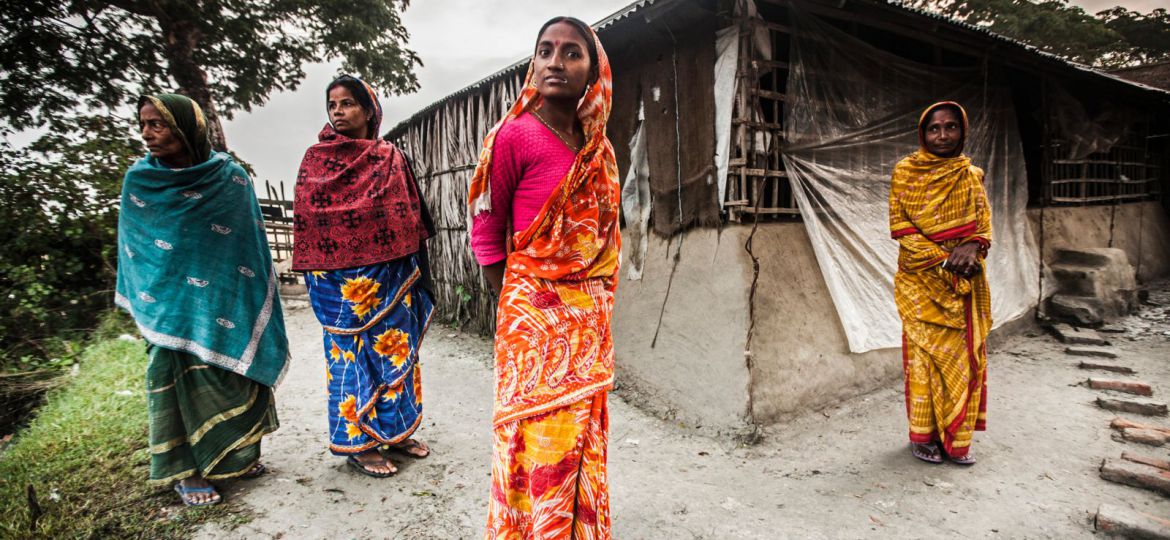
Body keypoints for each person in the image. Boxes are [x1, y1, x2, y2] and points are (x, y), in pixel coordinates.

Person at [469, 16, 620, 538]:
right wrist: (519, 306)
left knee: (578, 437)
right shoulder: (513, 136)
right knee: (535, 441)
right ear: (534, 62)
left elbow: (603, 244)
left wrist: (587, 308)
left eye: (572, 52)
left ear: (593, 69)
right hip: (531, 319)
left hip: (587, 320)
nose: (556, 61)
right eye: (546, 50)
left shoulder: (600, 152)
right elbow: (486, 234)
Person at [117, 93, 288, 506]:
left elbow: (247, 247)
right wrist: (159, 293)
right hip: (166, 303)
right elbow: (136, 248)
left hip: (225, 301)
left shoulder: (228, 179)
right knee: (174, 374)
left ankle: (234, 454)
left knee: (232, 373)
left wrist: (234, 297)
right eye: (143, 124)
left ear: (185, 128)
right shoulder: (141, 183)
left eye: (157, 124)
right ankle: (188, 471)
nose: (146, 133)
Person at [292, 75, 435, 478]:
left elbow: (407, 215)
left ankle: (395, 431)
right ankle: (359, 443)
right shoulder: (315, 161)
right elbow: (310, 225)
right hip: (339, 285)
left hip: (389, 276)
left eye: (348, 104)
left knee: (396, 351)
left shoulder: (389, 156)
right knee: (349, 358)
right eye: (332, 105)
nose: (338, 112)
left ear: (369, 110)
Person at [889, 101, 992, 466]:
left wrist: (973, 246)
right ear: (923, 133)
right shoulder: (905, 172)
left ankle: (956, 440)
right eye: (934, 128)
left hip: (964, 285)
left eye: (951, 127)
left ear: (963, 131)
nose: (943, 135)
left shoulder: (971, 175)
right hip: (922, 281)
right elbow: (901, 229)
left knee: (962, 360)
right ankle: (923, 436)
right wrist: (947, 259)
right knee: (923, 360)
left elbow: (983, 226)